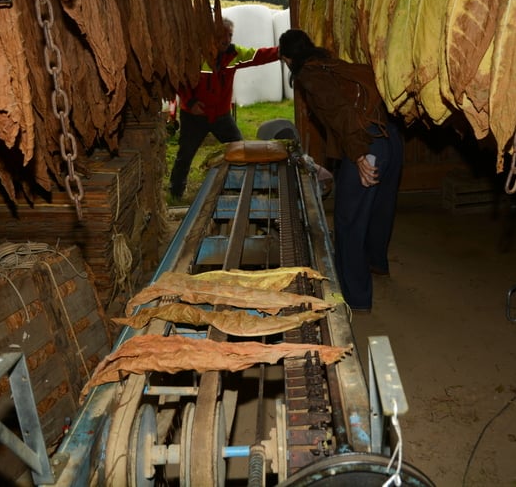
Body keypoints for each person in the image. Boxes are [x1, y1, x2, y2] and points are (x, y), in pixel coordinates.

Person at [278, 29, 403, 311]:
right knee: (380, 209)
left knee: (349, 221)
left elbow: (341, 111)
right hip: (390, 138)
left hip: (366, 143)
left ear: (287, 59)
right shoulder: (331, 63)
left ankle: (355, 298)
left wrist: (359, 155)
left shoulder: (311, 75)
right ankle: (377, 263)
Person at [169, 18, 280, 199]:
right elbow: (179, 79)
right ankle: (175, 193)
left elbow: (258, 55)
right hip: (194, 116)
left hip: (221, 116)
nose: (227, 39)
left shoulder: (234, 54)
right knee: (185, 155)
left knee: (240, 149)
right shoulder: (195, 54)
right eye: (222, 35)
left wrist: (281, 51)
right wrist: (190, 103)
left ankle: (246, 188)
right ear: (211, 36)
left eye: (230, 35)